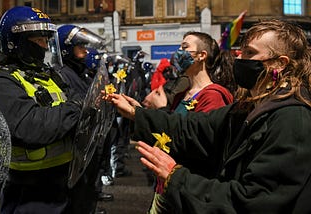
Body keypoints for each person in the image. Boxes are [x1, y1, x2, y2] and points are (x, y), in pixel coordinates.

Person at [106, 19, 311, 213]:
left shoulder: (292, 120)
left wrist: (175, 177)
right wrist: (137, 114)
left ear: (279, 64)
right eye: (241, 51)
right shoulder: (250, 106)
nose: (239, 58)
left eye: (250, 53)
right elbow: (194, 127)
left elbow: (253, 202)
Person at [0, 6, 95, 214]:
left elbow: (76, 97)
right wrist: (75, 109)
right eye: (39, 40)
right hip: (30, 189)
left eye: (47, 40)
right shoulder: (1, 82)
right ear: (16, 42)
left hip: (65, 178)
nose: (45, 47)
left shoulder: (48, 75)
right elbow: (31, 127)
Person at [139, 31, 236, 212]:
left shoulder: (213, 96)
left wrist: (162, 110)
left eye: (185, 47)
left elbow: (198, 144)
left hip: (188, 190)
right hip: (168, 185)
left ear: (201, 55)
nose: (178, 52)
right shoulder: (182, 94)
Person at [57, 24, 114, 213]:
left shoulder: (80, 72)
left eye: (85, 45)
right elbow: (71, 101)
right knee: (78, 197)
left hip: (90, 139)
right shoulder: (62, 73)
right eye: (79, 45)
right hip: (76, 144)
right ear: (67, 48)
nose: (85, 49)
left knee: (87, 192)